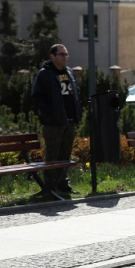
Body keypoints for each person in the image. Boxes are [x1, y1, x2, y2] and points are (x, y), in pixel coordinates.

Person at [31, 44, 82, 196]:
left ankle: (63, 185)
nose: (65, 57)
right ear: (52, 56)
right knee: (52, 156)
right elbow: (37, 98)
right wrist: (47, 116)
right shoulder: (45, 74)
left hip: (69, 121)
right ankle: (49, 187)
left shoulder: (69, 72)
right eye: (61, 54)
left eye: (66, 54)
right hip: (53, 123)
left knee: (65, 156)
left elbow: (76, 92)